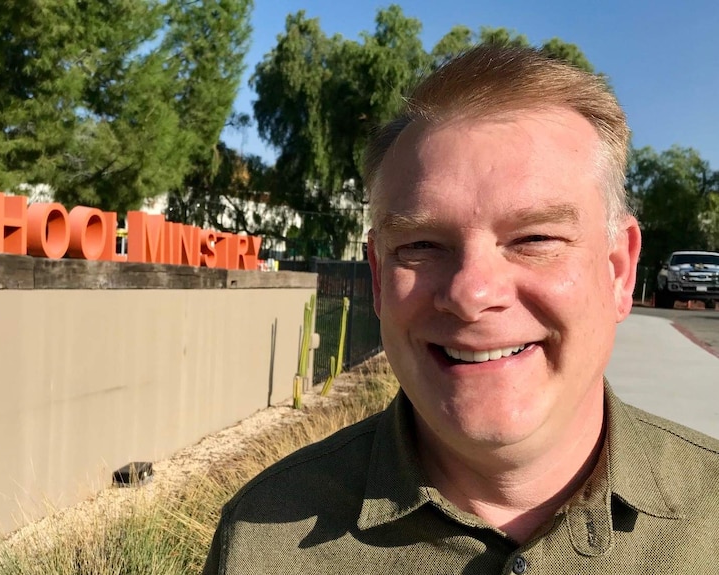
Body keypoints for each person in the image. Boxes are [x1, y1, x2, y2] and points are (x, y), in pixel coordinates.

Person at [202, 45, 719, 574]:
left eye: (535, 237)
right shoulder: (260, 542)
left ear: (618, 270)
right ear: (378, 279)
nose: (471, 294)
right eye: (421, 245)